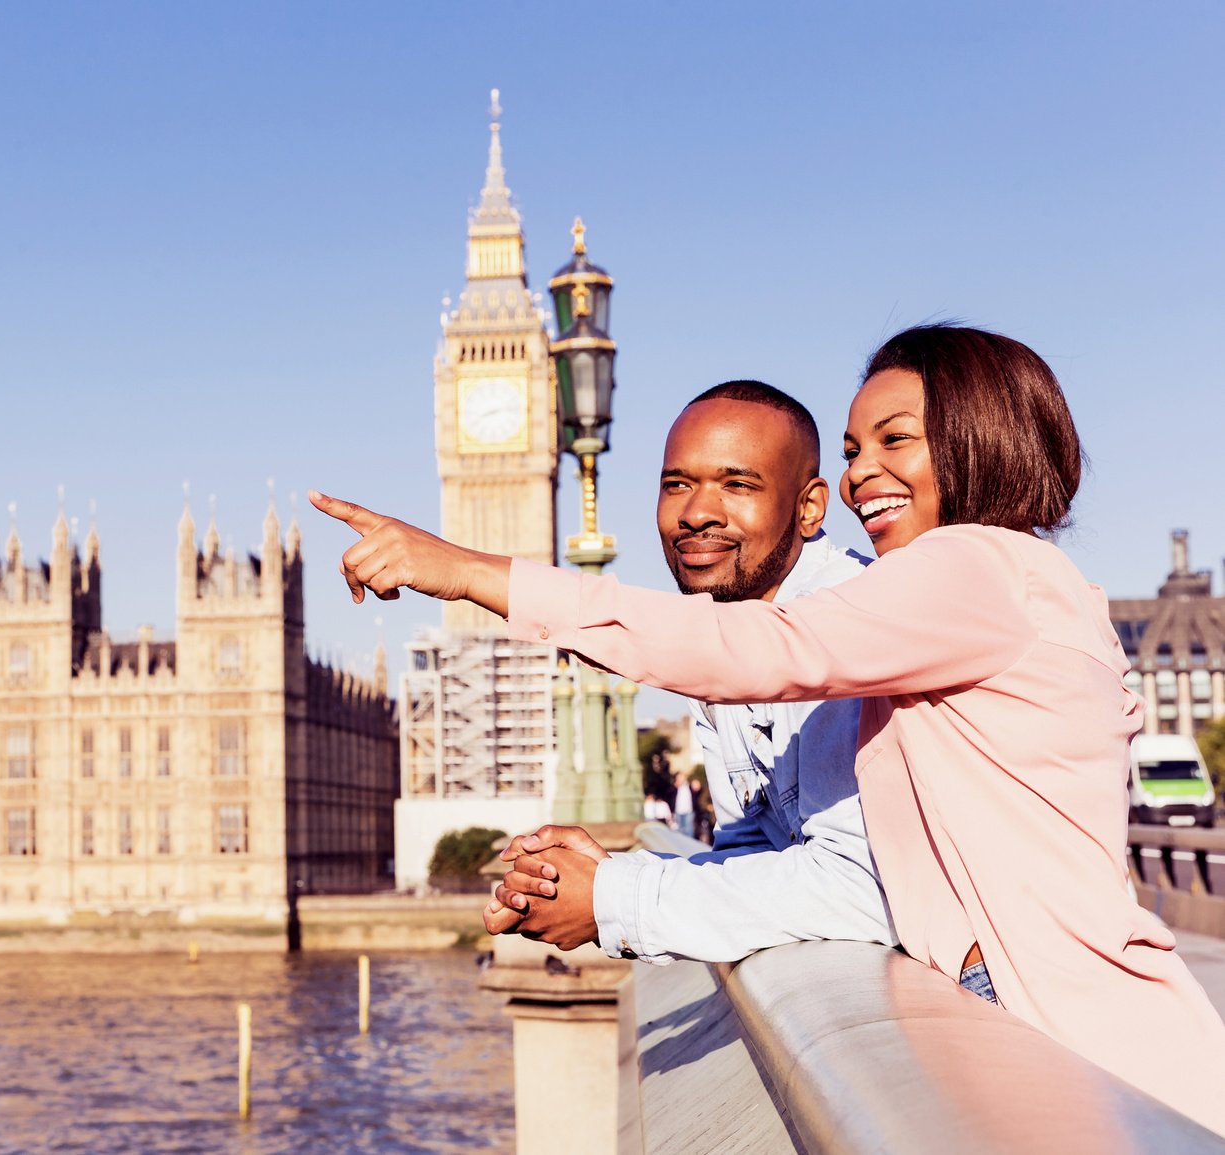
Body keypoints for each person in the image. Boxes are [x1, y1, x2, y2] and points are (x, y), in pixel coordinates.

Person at [310, 324, 1225, 1134]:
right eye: (857, 446)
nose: (866, 470)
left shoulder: (976, 566)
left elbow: (752, 655)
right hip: (1043, 1028)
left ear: (982, 439)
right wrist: (625, 878)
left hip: (1086, 1043)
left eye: (896, 441)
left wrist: (470, 572)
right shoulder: (957, 595)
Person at [484, 380, 895, 965]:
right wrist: (597, 875)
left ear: (809, 508)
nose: (698, 513)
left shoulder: (853, 626)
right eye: (677, 485)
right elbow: (754, 845)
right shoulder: (727, 623)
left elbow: (865, 888)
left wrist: (610, 899)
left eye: (737, 484)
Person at [671, 769, 695, 838]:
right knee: (679, 830)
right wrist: (674, 786)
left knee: (689, 829)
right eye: (678, 778)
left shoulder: (690, 786)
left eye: (681, 777)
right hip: (678, 811)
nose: (680, 779)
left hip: (688, 811)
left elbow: (698, 792)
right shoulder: (675, 789)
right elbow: (669, 796)